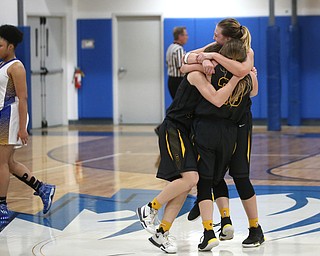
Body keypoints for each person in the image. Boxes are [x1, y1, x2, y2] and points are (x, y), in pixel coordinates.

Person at [136, 40, 251, 253]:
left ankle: (162, 233)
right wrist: (232, 75)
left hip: (188, 131)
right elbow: (216, 98)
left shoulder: (212, 71)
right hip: (174, 128)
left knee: (186, 183)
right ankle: (149, 208)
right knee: (192, 179)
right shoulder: (199, 74)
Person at [184, 18, 265, 248]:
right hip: (221, 124)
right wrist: (202, 58)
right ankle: (210, 209)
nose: (213, 38)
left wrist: (213, 58)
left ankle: (255, 228)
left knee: (240, 176)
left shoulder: (246, 54)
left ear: (228, 39)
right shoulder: (214, 49)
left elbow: (249, 82)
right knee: (211, 173)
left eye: (217, 34)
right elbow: (186, 59)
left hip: (238, 124)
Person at [0, 25, 56, 224]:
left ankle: (2, 209)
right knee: (9, 163)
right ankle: (43, 188)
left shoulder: (17, 67)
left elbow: (22, 99)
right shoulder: (3, 65)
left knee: (2, 163)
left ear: (11, 46)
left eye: (0, 45)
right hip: (2, 116)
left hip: (11, 116)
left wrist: (23, 127)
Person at [166, 26, 188, 99]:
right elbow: (181, 68)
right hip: (178, 81)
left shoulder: (170, 47)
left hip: (171, 79)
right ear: (180, 36)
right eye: (186, 35)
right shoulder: (178, 49)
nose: (187, 37)